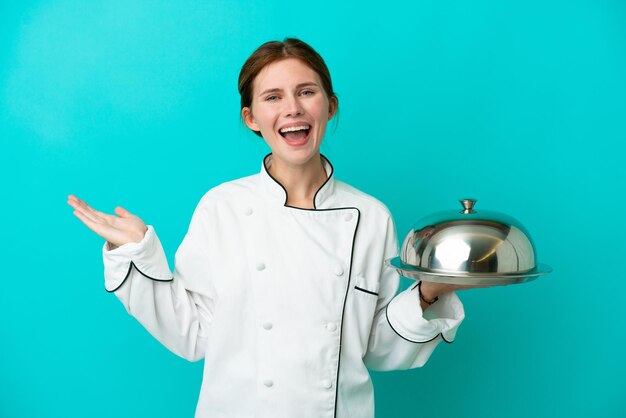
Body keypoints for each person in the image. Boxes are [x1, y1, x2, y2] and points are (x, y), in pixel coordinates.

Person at [67, 38, 468, 418]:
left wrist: (429, 293)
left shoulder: (371, 216)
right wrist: (138, 253)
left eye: (306, 92)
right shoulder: (222, 207)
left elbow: (377, 347)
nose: (292, 108)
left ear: (330, 106)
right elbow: (194, 334)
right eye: (273, 97)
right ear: (252, 117)